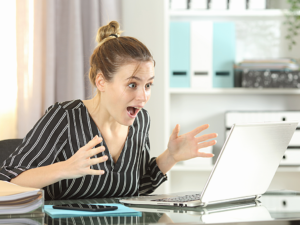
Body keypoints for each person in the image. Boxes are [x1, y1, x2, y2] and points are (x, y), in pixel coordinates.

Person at [0, 21, 217, 200]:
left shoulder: (140, 121)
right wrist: (65, 168)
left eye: (148, 85)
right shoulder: (65, 117)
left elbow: (138, 187)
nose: (143, 96)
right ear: (101, 82)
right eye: (132, 84)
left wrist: (170, 157)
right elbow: (7, 181)